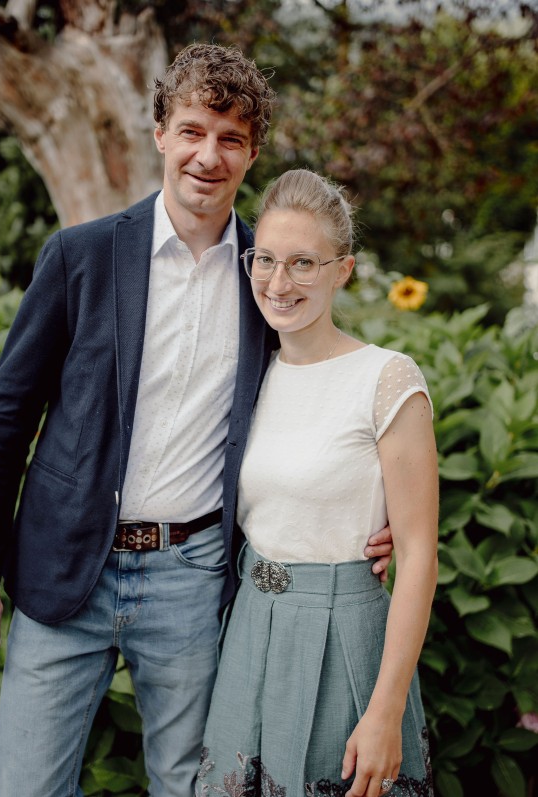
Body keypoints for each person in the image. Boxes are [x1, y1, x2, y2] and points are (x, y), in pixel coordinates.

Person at [0, 46, 394, 797]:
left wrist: (374, 515)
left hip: (192, 575)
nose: (208, 156)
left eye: (230, 138)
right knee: (25, 785)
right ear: (160, 133)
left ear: (252, 153)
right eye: (192, 131)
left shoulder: (269, 277)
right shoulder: (82, 256)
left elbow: (318, 394)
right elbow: (3, 420)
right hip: (66, 565)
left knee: (190, 787)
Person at [197, 169, 438, 797]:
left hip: (343, 635)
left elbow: (418, 554)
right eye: (266, 260)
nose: (279, 283)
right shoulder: (248, 375)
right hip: (249, 626)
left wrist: (385, 711)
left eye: (304, 263)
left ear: (343, 271)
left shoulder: (386, 378)